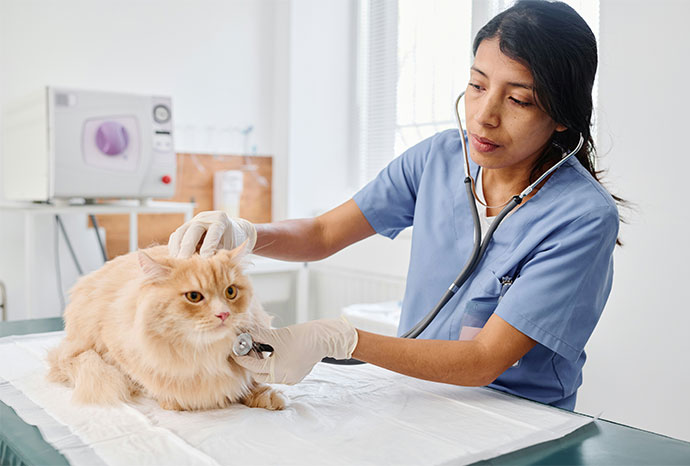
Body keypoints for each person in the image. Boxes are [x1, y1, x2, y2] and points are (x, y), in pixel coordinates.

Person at [168, 0, 620, 411]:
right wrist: (246, 234)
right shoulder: (438, 159)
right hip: (416, 397)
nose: (485, 114)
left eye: (518, 99)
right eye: (477, 85)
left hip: (518, 419)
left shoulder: (581, 216)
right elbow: (323, 234)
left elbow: (484, 361)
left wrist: (342, 340)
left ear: (563, 116)